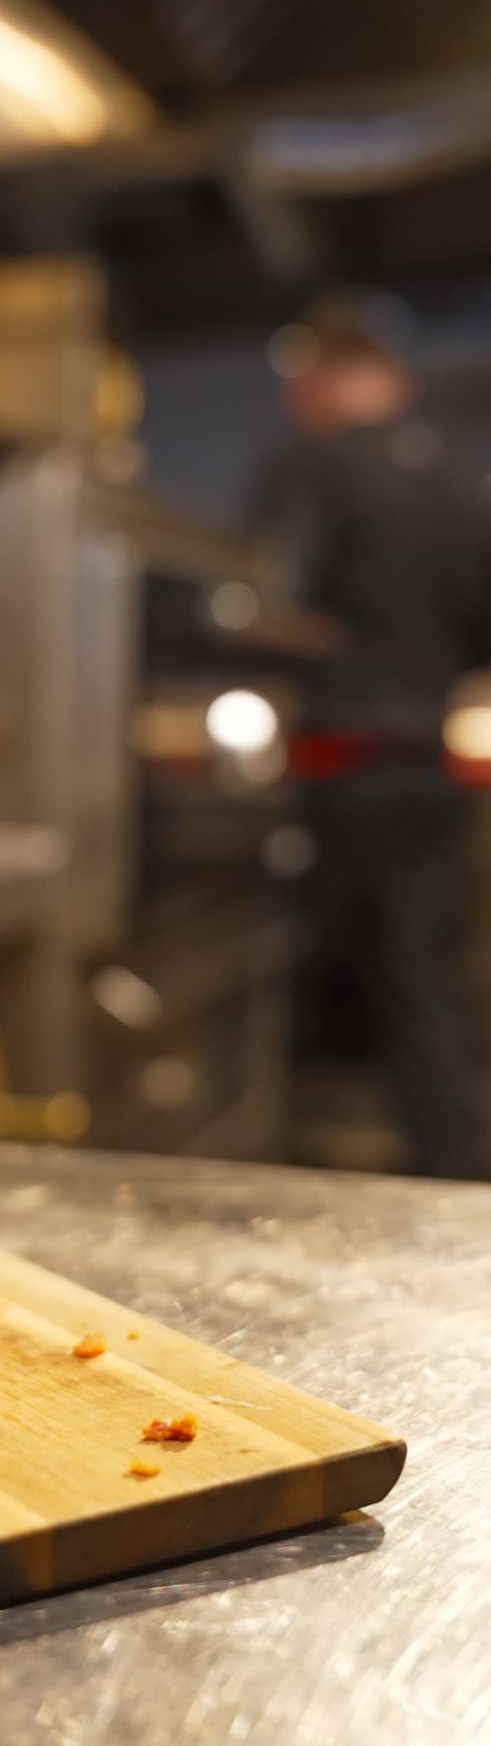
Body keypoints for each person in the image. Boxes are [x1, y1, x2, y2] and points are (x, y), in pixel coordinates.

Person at [251, 293, 490, 1179]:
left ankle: (281, 1182)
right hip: (429, 769)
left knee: (298, 981)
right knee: (426, 986)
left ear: (321, 378)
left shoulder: (313, 467)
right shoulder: (455, 488)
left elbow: (271, 607)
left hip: (339, 772)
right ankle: (455, 1181)